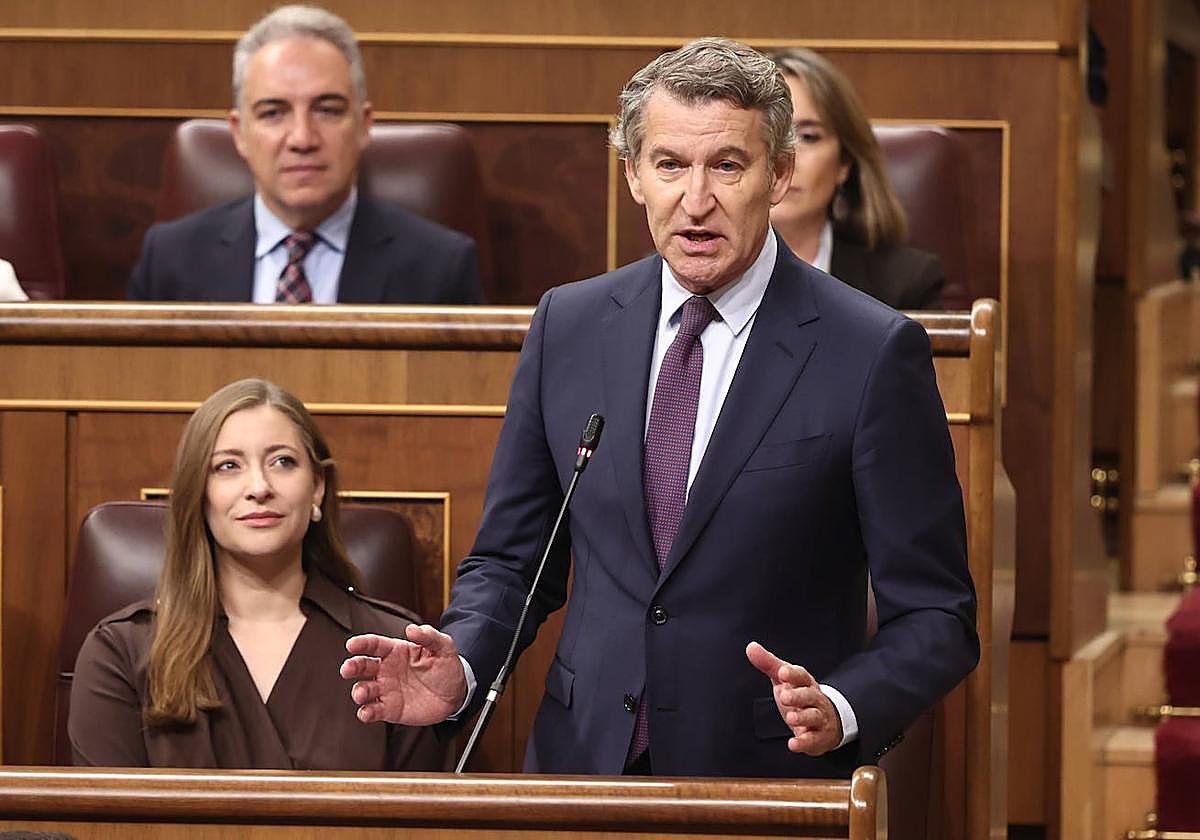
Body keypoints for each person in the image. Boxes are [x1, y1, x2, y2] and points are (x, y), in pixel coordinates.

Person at [341, 38, 978, 779]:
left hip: (764, 781)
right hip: (582, 772)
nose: (695, 199)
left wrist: (841, 703)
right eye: (670, 164)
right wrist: (466, 665)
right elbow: (514, 562)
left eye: (727, 166)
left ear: (779, 175)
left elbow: (937, 615)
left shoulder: (871, 350)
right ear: (634, 176)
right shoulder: (568, 325)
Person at [69, 378, 447, 770]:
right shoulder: (120, 652)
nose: (259, 487)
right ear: (198, 494)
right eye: (228, 466)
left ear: (317, 487)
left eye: (282, 461)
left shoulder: (390, 647)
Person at [128, 5, 482, 305]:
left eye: (327, 110)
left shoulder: (440, 268)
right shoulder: (170, 259)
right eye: (273, 113)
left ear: (363, 125)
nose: (302, 138)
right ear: (239, 134)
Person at [767, 48, 944, 310]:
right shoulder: (698, 270)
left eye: (808, 136)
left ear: (844, 163)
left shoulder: (905, 284)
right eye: (772, 135)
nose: (787, 157)